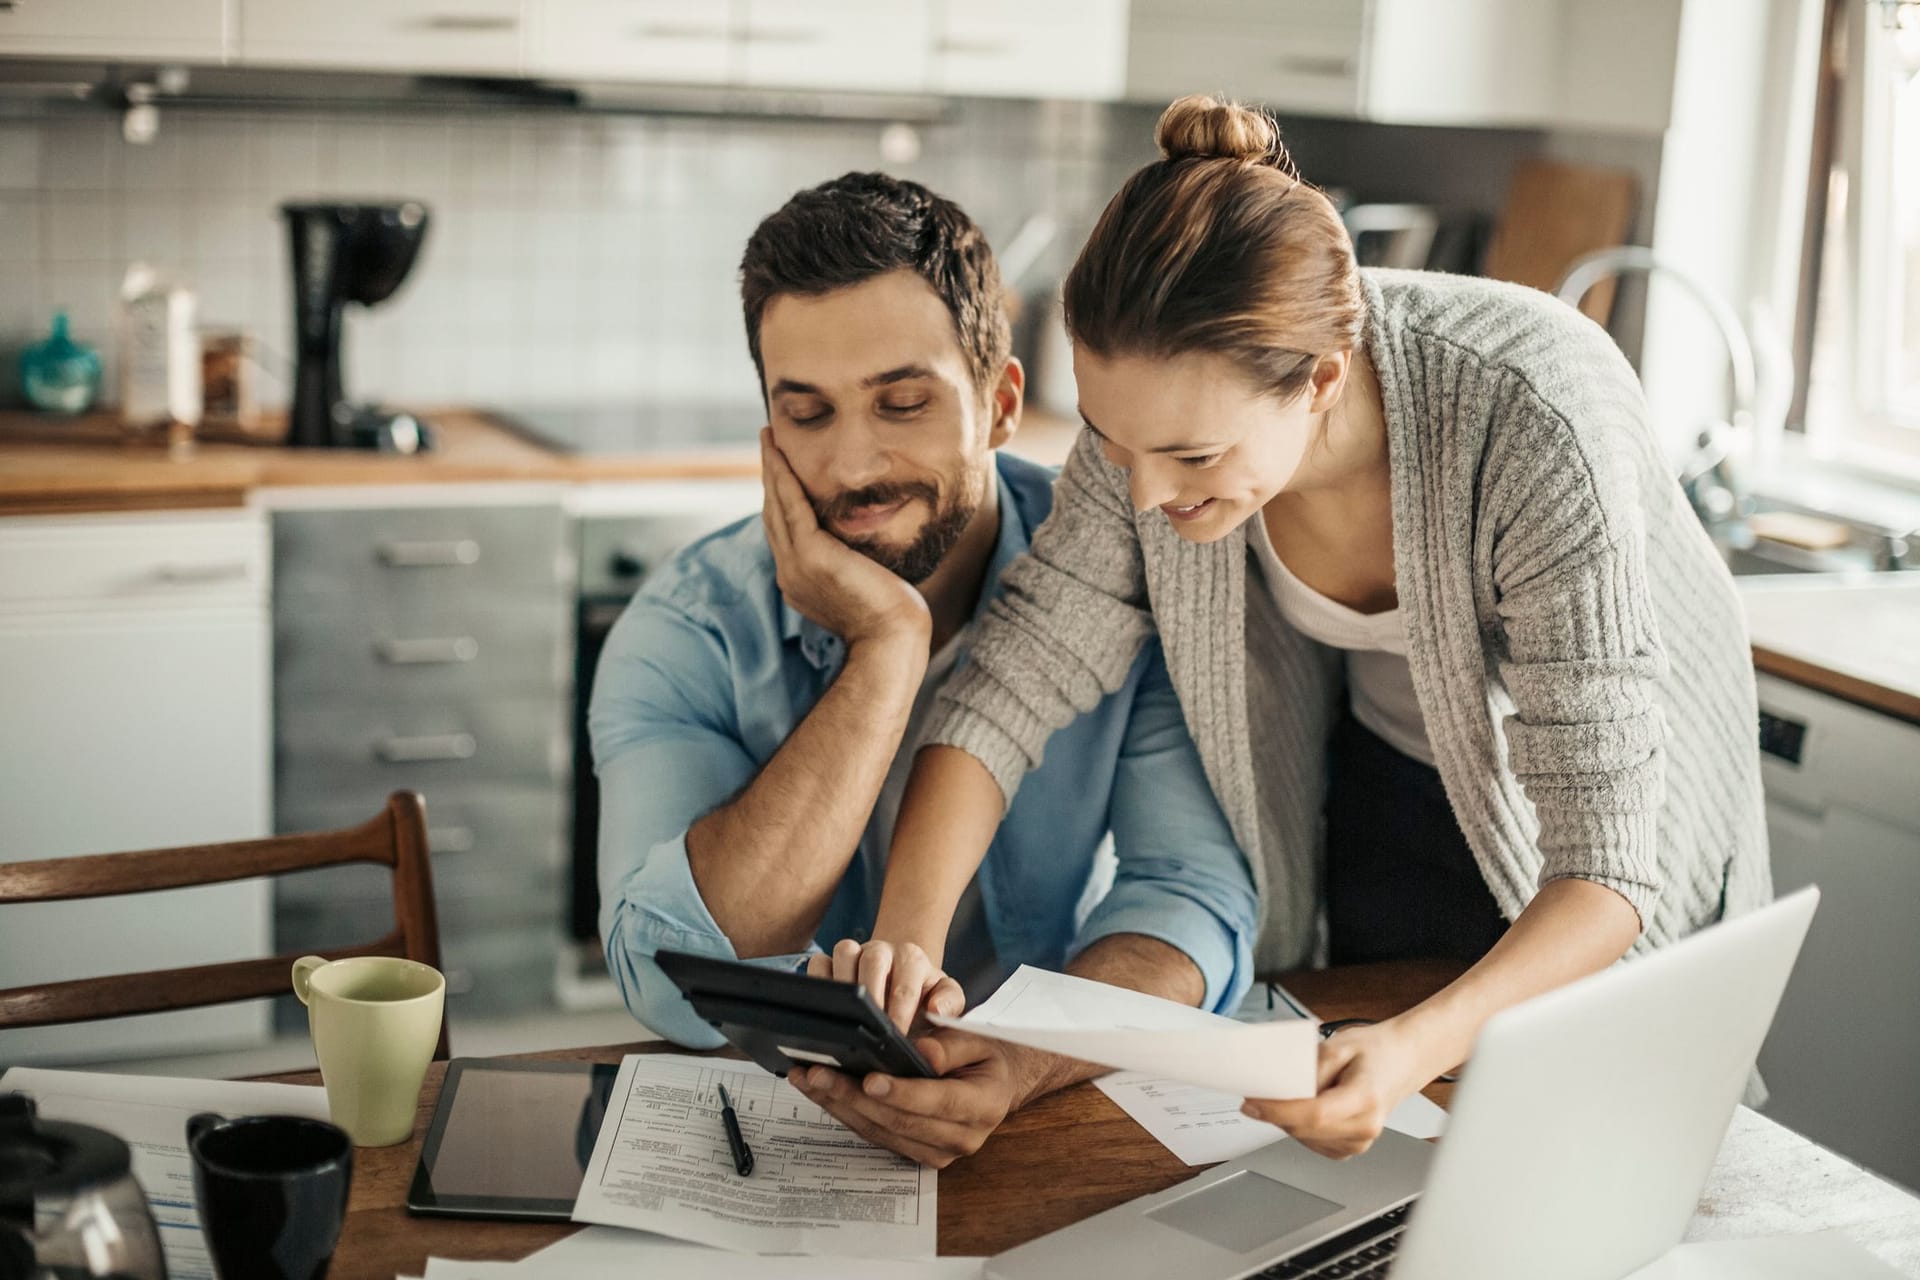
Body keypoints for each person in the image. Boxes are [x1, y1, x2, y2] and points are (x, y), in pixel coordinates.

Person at [849, 97, 1773, 1160]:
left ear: (1324, 378)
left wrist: (1408, 1045)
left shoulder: (1532, 413)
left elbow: (1606, 867)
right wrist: (904, 951)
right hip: (1389, 782)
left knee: (1592, 1144)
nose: (1145, 495)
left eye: (1192, 457)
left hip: (1600, 836)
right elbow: (1014, 680)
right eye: (1112, 439)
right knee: (1404, 1169)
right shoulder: (1151, 440)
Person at [589, 170, 1259, 1167]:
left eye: (902, 402)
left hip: (1045, 1101)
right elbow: (666, 973)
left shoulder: (1127, 582)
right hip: (786, 1136)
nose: (855, 464)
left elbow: (1190, 900)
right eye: (808, 413)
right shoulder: (689, 628)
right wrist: (885, 652)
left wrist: (1026, 1056)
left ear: (1000, 404)